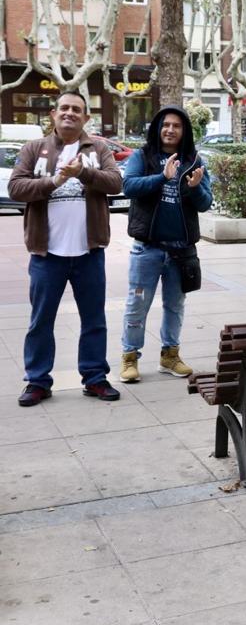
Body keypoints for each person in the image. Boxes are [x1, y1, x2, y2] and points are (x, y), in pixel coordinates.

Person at [10, 91, 123, 406]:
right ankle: (38, 381)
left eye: (77, 109)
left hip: (89, 253)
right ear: (53, 114)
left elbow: (116, 183)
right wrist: (54, 182)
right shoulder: (35, 149)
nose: (70, 113)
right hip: (47, 255)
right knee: (41, 321)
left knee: (94, 320)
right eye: (64, 108)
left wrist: (83, 173)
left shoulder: (97, 148)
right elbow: (16, 188)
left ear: (87, 118)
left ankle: (95, 378)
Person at [119, 105, 213, 383]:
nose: (170, 130)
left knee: (175, 305)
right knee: (137, 304)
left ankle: (170, 355)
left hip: (180, 250)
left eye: (177, 125)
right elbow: (129, 186)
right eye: (165, 125)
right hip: (147, 247)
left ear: (184, 131)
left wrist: (194, 188)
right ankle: (129, 357)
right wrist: (163, 177)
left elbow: (205, 203)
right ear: (157, 128)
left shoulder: (194, 161)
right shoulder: (143, 156)